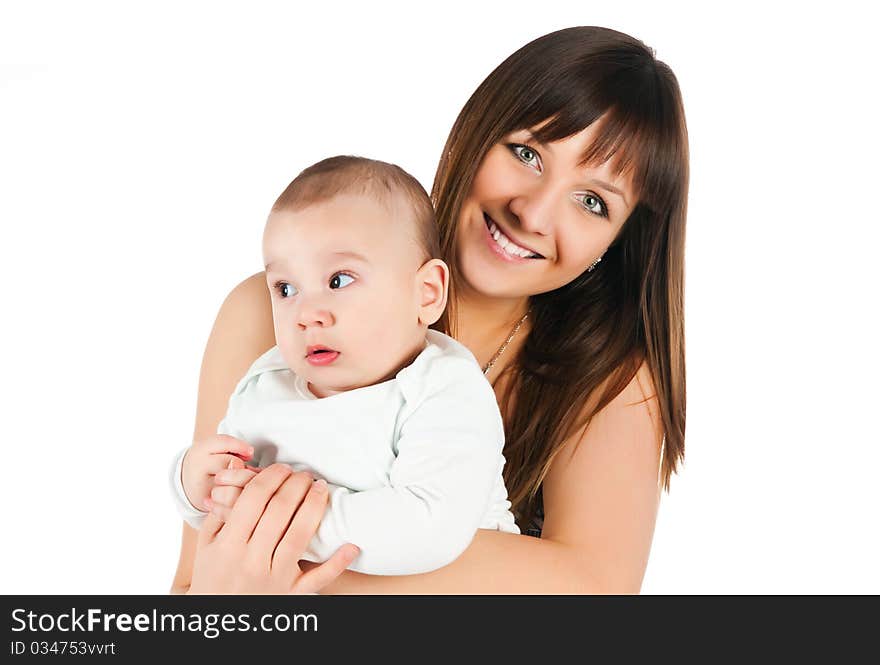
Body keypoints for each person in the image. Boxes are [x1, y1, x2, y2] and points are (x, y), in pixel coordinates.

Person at [173, 25, 688, 594]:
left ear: (617, 241)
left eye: (592, 201)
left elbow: (595, 590)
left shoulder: (608, 377)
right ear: (476, 129)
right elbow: (197, 591)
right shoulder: (277, 312)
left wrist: (285, 574)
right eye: (527, 154)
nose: (534, 213)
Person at [169, 155, 519, 576]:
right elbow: (224, 515)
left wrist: (281, 524)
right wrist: (196, 485)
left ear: (426, 294)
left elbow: (428, 527)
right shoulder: (267, 382)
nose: (307, 313)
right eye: (285, 288)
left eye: (339, 281)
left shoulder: (443, 387)